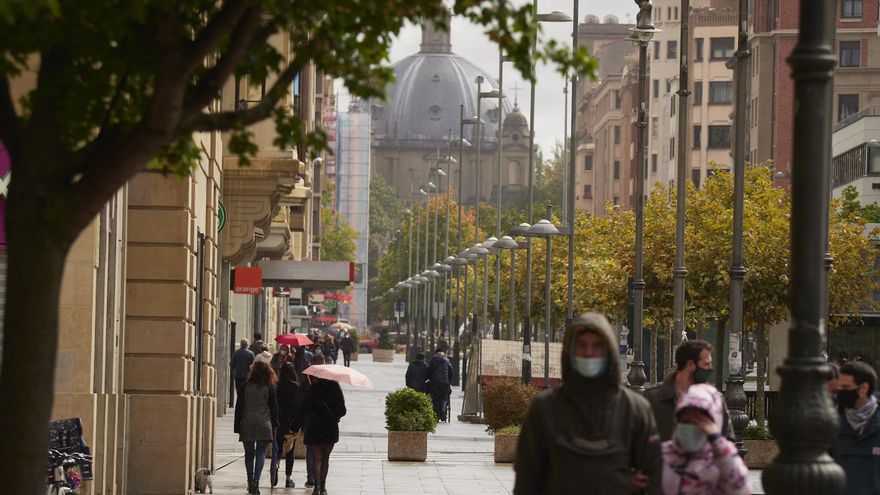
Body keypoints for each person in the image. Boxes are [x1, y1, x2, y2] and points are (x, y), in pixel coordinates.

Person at [514, 312, 662, 495]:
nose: (589, 353)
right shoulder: (545, 408)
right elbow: (527, 478)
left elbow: (653, 476)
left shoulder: (635, 409)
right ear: (570, 351)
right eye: (581, 345)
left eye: (597, 346)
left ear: (609, 351)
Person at [660, 384, 749, 495]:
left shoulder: (722, 458)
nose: (690, 426)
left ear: (714, 422)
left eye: (699, 421)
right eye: (685, 420)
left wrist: (718, 442)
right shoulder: (662, 455)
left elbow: (741, 489)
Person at [644, 340, 735, 442]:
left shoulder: (715, 398)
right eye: (707, 364)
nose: (711, 368)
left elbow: (728, 438)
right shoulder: (652, 397)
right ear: (691, 364)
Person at [831, 361, 880, 495]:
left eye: (845, 388)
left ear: (863, 388)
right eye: (838, 388)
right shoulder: (832, 424)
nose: (840, 393)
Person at [301, 355, 346, 495]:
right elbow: (343, 410)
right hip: (330, 427)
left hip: (314, 426)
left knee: (316, 458)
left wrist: (295, 427)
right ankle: (323, 486)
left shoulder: (312, 388)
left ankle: (316, 486)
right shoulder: (335, 387)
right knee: (325, 458)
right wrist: (335, 417)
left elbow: (303, 409)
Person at [234, 361, 279, 495]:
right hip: (264, 423)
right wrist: (275, 423)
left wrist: (237, 426)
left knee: (249, 454)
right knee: (260, 453)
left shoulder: (244, 386)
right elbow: (274, 407)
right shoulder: (269, 387)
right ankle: (256, 482)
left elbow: (239, 407)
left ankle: (249, 480)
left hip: (247, 422)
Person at [272, 363, 300, 489]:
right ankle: (288, 479)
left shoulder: (276, 386)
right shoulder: (295, 387)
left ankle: (275, 471)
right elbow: (297, 407)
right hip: (290, 423)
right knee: (290, 450)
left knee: (277, 449)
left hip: (278, 422)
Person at [427, 349, 453, 421]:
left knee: (435, 397)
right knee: (444, 396)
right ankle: (443, 409)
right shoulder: (447, 360)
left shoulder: (433, 360)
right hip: (444, 383)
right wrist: (448, 381)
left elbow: (430, 371)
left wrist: (429, 378)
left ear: (436, 353)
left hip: (434, 383)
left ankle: (437, 413)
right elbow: (451, 372)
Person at [231, 338, 255, 404]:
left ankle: (239, 406)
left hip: (238, 376)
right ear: (247, 345)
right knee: (246, 393)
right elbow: (253, 365)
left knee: (239, 393)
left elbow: (232, 364)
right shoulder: (251, 353)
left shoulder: (235, 353)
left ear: (240, 344)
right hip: (247, 377)